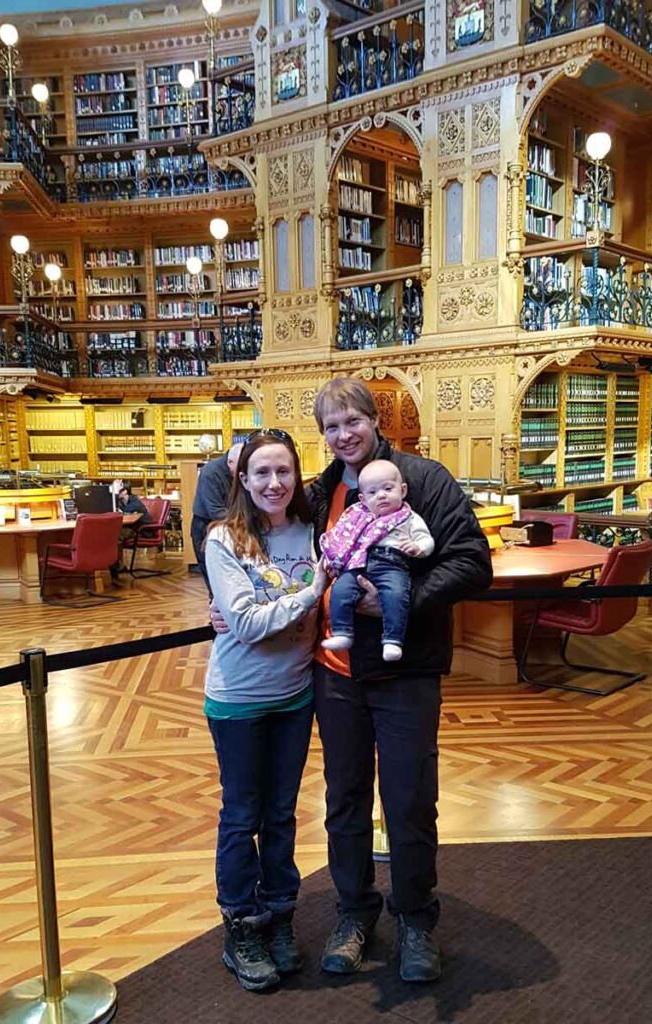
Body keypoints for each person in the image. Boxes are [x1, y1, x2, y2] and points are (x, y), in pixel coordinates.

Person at [308, 378, 493, 983]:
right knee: (344, 800)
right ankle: (354, 914)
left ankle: (416, 920)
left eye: (352, 421)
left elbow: (471, 562)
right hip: (334, 675)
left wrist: (397, 602)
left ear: (373, 418)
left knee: (411, 801)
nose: (343, 435)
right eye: (331, 427)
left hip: (405, 669)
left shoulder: (423, 478)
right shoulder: (322, 490)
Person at [204, 429, 328, 992]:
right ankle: (241, 929)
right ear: (243, 480)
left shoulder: (312, 530)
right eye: (262, 473)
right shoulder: (224, 539)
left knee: (281, 814)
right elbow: (248, 625)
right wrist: (307, 593)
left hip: (295, 696)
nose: (274, 483)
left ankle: (279, 917)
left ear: (296, 476)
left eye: (284, 472)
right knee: (241, 816)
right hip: (239, 702)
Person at [320, 459, 434, 662]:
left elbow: (426, 539)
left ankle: (392, 639)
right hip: (359, 563)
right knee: (340, 590)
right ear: (363, 499)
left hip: (392, 564)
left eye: (388, 488)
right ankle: (342, 632)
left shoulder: (407, 517)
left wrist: (418, 548)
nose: (381, 495)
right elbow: (344, 539)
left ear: (403, 490)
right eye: (373, 493)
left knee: (396, 594)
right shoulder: (357, 518)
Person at [191, 442, 243, 589]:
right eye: (239, 468)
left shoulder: (236, 469)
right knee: (214, 581)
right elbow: (215, 511)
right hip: (206, 527)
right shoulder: (210, 473)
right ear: (230, 461)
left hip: (231, 525)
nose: (242, 473)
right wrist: (246, 520)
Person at [110, 484, 148, 582]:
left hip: (141, 530)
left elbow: (124, 511)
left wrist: (114, 495)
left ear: (125, 491)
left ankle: (116, 567)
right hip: (130, 527)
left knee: (115, 537)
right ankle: (117, 565)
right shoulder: (121, 502)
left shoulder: (135, 501)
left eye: (118, 491)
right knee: (111, 535)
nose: (114, 493)